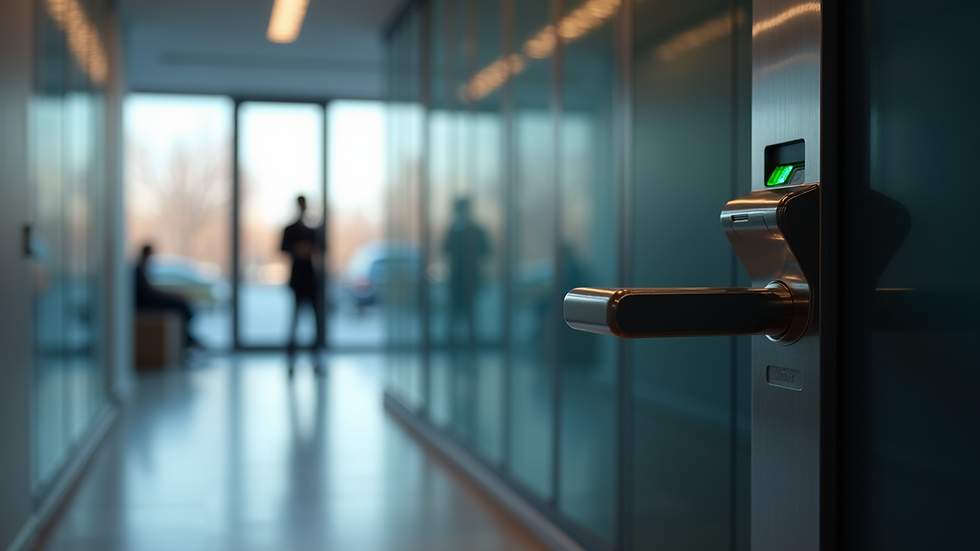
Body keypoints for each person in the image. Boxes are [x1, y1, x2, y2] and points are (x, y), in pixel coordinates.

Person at [281, 195, 325, 375]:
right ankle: (291, 361)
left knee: (315, 322)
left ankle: (316, 360)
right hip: (297, 281)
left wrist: (310, 249)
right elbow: (283, 249)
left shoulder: (312, 230)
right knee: (294, 322)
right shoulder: (290, 229)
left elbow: (321, 249)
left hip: (311, 280)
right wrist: (298, 250)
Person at [442, 197, 489, 352]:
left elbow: (486, 251)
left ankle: (466, 348)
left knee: (467, 318)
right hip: (459, 281)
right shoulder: (457, 230)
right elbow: (444, 250)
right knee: (459, 318)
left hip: (467, 281)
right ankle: (458, 348)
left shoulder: (471, 230)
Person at [134, 244, 200, 350]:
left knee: (181, 305)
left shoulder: (143, 268)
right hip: (148, 304)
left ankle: (187, 339)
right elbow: (148, 294)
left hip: (150, 301)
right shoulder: (139, 269)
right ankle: (187, 340)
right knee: (181, 307)